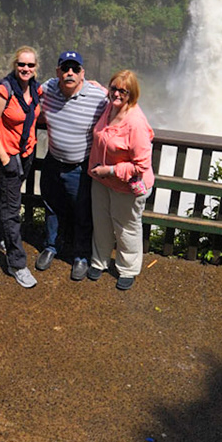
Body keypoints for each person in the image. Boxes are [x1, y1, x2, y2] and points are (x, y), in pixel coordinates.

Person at [36, 50, 106, 282]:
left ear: (83, 73)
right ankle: (51, 246)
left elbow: (122, 108)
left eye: (75, 69)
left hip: (79, 168)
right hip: (53, 162)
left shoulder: (98, 97)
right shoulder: (47, 90)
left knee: (81, 213)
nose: (70, 73)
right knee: (52, 208)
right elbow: (24, 93)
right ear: (57, 72)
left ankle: (80, 256)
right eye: (65, 68)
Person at [86, 69, 155, 291]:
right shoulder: (110, 106)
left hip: (125, 185)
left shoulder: (135, 123)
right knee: (102, 222)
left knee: (126, 228)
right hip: (101, 180)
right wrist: (93, 86)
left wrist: (110, 170)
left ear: (132, 94)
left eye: (122, 91)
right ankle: (100, 261)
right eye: (113, 88)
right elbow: (106, 94)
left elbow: (141, 165)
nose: (116, 94)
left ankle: (128, 269)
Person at [0, 47, 43, 287]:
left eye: (30, 65)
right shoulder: (2, 91)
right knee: (12, 210)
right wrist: (6, 160)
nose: (25, 69)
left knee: (7, 200)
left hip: (26, 153)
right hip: (7, 156)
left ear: (36, 67)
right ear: (14, 64)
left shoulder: (36, 89)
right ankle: (16, 264)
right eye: (21, 64)